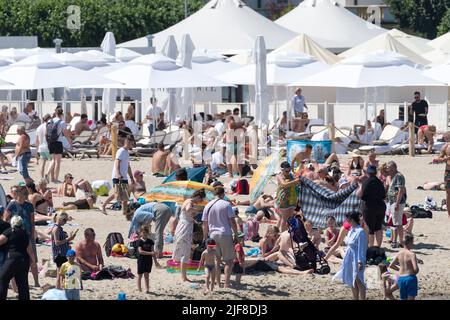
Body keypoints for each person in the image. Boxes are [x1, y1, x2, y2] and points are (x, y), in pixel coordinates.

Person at [202, 186, 238, 288]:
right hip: (225, 233)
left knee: (216, 260)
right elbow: (232, 221)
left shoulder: (208, 205)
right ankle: (226, 283)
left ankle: (218, 282)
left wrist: (205, 237)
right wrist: (236, 233)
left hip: (212, 235)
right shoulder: (226, 204)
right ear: (223, 194)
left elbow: (205, 224)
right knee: (228, 260)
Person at [4, 186, 39, 287]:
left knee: (33, 260)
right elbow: (6, 220)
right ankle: (15, 285)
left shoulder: (29, 206)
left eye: (27, 194)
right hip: (15, 236)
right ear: (19, 194)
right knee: (15, 260)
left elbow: (32, 222)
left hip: (27, 235)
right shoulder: (12, 205)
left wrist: (32, 235)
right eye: (25, 194)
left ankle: (36, 282)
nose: (27, 196)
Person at [172, 189, 206, 282]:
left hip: (182, 226)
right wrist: (198, 210)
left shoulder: (187, 201)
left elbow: (186, 214)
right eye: (201, 200)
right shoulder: (190, 202)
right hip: (185, 228)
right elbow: (188, 209)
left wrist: (194, 220)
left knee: (183, 251)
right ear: (198, 197)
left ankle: (183, 275)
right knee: (185, 252)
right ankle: (184, 277)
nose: (201, 202)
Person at [333, 212, 367, 300]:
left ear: (351, 219)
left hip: (357, 258)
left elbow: (362, 247)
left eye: (347, 219)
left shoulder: (360, 231)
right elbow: (347, 242)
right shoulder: (351, 229)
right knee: (352, 280)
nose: (346, 221)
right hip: (349, 257)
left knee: (359, 280)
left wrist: (360, 261)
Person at [101, 135, 135, 216]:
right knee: (117, 195)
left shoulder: (126, 152)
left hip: (124, 176)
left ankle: (124, 212)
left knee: (125, 195)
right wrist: (118, 174)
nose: (132, 145)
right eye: (131, 143)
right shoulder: (121, 151)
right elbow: (117, 163)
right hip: (118, 176)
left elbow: (128, 165)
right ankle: (103, 205)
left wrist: (131, 177)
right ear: (127, 142)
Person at [0, 216, 31, 300]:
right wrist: (33, 261)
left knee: (3, 279)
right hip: (25, 259)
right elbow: (29, 249)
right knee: (23, 284)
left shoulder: (10, 231)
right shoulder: (25, 233)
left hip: (13, 258)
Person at [357, 165, 386, 248]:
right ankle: (378, 246)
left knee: (370, 229)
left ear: (368, 173)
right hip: (380, 206)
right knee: (378, 227)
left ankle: (371, 246)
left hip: (369, 207)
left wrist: (360, 186)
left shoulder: (366, 182)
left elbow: (360, 195)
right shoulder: (380, 182)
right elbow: (384, 196)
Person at [388, 233, 419, 300]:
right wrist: (412, 273)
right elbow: (416, 269)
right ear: (410, 242)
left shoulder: (399, 253)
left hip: (401, 279)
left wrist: (400, 270)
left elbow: (391, 265)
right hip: (410, 278)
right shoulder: (412, 254)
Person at [51, 212, 78, 289]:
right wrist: (69, 239)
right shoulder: (56, 229)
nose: (65, 222)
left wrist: (69, 237)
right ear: (60, 219)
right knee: (60, 273)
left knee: (60, 273)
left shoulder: (59, 228)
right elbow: (57, 242)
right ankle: (59, 289)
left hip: (62, 253)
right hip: (59, 254)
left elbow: (62, 240)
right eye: (65, 220)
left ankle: (59, 288)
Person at [48, 108, 72, 183]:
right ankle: (55, 178)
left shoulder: (49, 121)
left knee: (52, 160)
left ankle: (51, 178)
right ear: (62, 114)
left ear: (55, 113)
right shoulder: (62, 122)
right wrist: (70, 142)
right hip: (58, 142)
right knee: (57, 162)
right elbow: (66, 134)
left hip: (50, 142)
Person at [386, 161, 407, 248]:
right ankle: (396, 240)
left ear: (394, 167)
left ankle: (400, 241)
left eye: (389, 168)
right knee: (395, 222)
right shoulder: (393, 176)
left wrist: (397, 203)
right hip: (392, 201)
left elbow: (400, 190)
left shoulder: (399, 176)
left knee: (397, 223)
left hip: (397, 202)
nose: (388, 170)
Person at [275, 162, 299, 232]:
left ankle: (289, 232)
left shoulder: (291, 175)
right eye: (286, 171)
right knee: (284, 218)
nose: (288, 172)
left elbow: (297, 180)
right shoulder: (279, 176)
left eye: (289, 171)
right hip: (284, 199)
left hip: (292, 198)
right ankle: (282, 234)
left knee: (290, 217)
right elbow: (284, 184)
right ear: (282, 170)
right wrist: (296, 181)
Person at [434, 137, 450, 218]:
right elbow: (439, 158)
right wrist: (443, 159)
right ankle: (449, 214)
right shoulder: (446, 146)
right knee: (448, 193)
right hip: (448, 172)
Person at [136, 226, 155, 294]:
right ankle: (139, 289)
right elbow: (140, 251)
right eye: (143, 233)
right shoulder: (139, 241)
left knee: (147, 275)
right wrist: (150, 253)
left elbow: (153, 252)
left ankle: (147, 289)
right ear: (141, 233)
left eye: (146, 233)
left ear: (148, 233)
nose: (145, 234)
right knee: (140, 275)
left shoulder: (151, 241)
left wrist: (155, 261)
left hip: (149, 260)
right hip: (141, 260)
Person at [36, 114, 53, 180]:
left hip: (41, 147)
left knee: (42, 163)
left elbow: (37, 140)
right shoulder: (49, 126)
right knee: (52, 161)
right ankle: (51, 177)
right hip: (48, 147)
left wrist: (37, 150)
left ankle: (41, 178)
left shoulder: (39, 127)